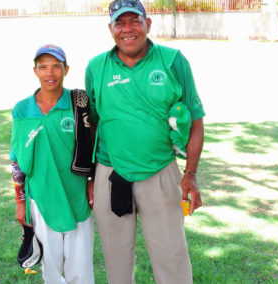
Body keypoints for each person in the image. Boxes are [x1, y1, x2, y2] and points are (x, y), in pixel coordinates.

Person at [85, 1, 205, 283]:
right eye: (120, 23)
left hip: (160, 173)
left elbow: (197, 121)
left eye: (134, 21)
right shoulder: (96, 67)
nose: (128, 29)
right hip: (110, 175)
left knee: (172, 260)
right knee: (116, 263)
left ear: (148, 24)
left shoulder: (173, 60)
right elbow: (92, 126)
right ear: (111, 28)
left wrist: (190, 174)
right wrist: (90, 178)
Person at [10, 44, 95, 284]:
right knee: (51, 268)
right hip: (41, 199)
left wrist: (91, 182)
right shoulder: (22, 110)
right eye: (43, 67)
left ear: (66, 69)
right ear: (35, 71)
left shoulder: (79, 103)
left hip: (76, 195)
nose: (50, 73)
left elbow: (94, 147)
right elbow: (16, 161)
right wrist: (20, 202)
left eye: (56, 66)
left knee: (81, 269)